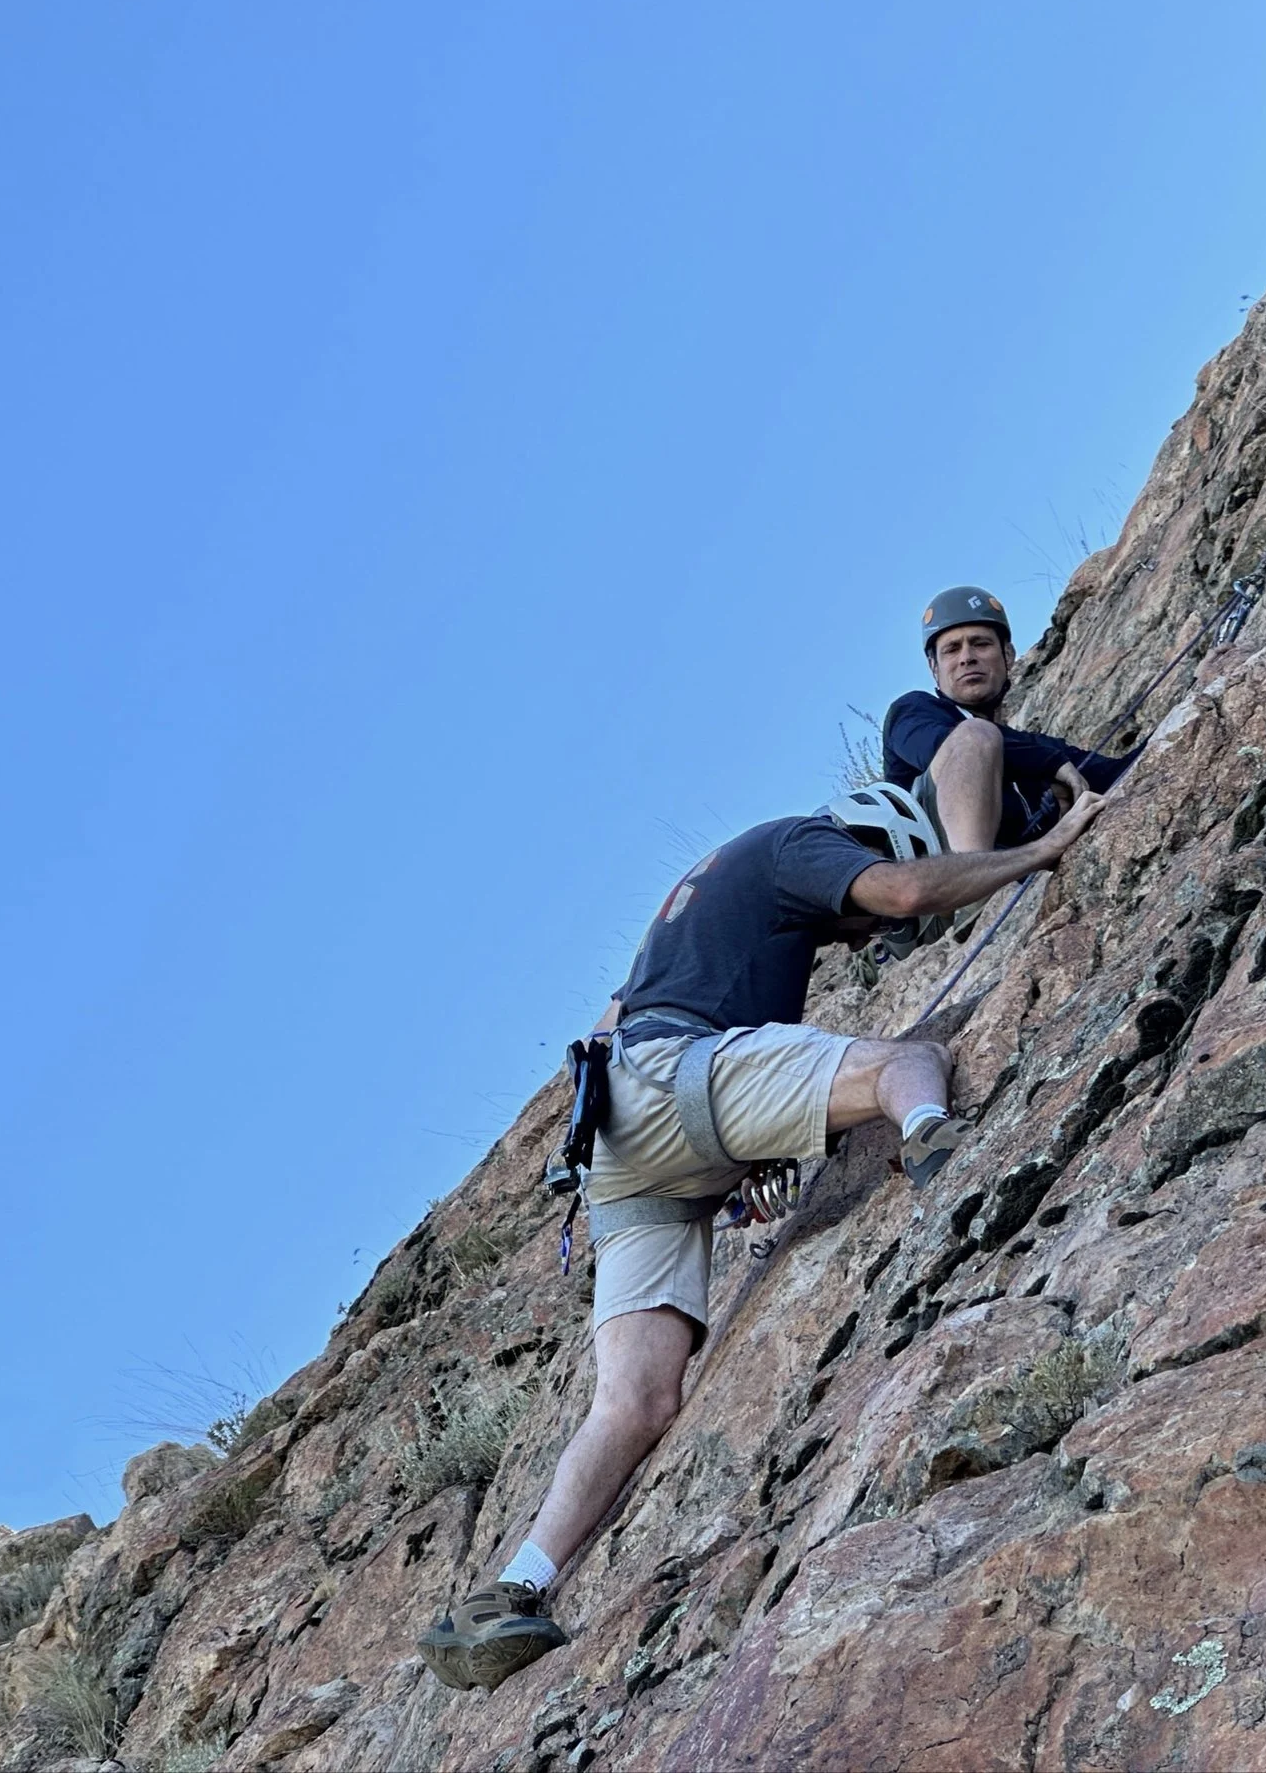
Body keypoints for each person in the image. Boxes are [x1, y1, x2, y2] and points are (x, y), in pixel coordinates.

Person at [415, 777, 1110, 1694]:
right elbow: (901, 892)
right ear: (872, 834)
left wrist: (744, 1143)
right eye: (858, 919)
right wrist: (1045, 846)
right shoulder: (803, 842)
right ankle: (945, 1156)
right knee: (912, 1060)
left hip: (618, 1144)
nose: (862, 938)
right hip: (678, 1079)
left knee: (637, 1400)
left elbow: (603, 1027)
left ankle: (516, 1585)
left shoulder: (698, 900)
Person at [882, 586, 1137, 858]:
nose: (967, 658)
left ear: (1008, 655)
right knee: (974, 737)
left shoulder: (1030, 746)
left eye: (981, 643)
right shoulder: (910, 712)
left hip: (1009, 874)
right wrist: (1050, 763)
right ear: (935, 669)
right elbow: (947, 748)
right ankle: (973, 870)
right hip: (936, 877)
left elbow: (1124, 771)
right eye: (951, 650)